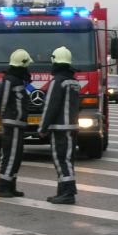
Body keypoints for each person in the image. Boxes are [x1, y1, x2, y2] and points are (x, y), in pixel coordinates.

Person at [38, 46, 80, 205]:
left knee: (61, 160)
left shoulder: (57, 81)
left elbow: (50, 106)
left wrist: (42, 127)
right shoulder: (74, 81)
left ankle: (68, 193)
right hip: (72, 126)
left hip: (60, 128)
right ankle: (63, 191)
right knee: (68, 160)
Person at [0, 49, 33, 198]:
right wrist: (0, 119)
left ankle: (11, 186)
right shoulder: (10, 79)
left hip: (17, 123)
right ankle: (3, 187)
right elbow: (1, 101)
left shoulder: (16, 79)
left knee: (16, 156)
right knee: (10, 156)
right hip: (12, 124)